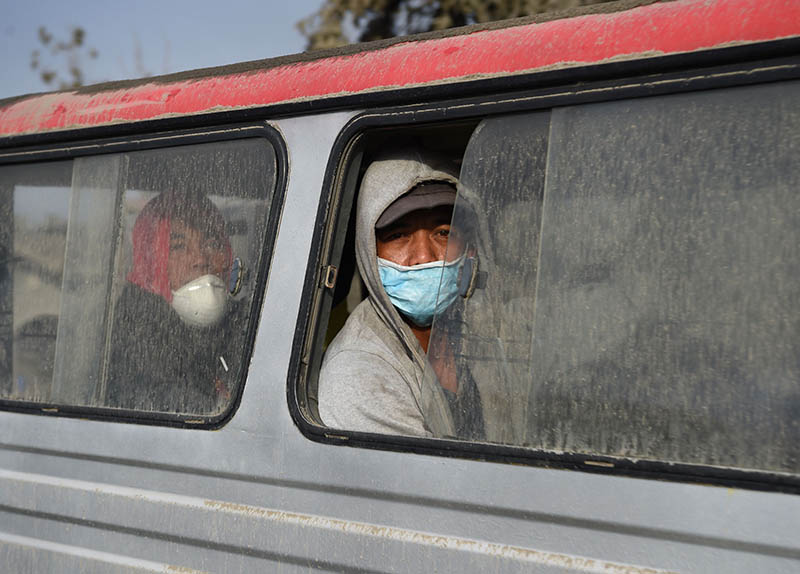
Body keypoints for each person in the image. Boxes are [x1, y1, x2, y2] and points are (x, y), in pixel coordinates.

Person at [318, 150, 484, 437]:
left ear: (468, 250)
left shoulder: (473, 330)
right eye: (398, 236)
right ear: (369, 252)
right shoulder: (359, 370)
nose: (423, 256)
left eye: (443, 233)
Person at [106, 192, 240, 414]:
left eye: (212, 243)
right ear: (150, 260)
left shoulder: (249, 326)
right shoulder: (135, 336)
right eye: (178, 246)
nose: (200, 259)